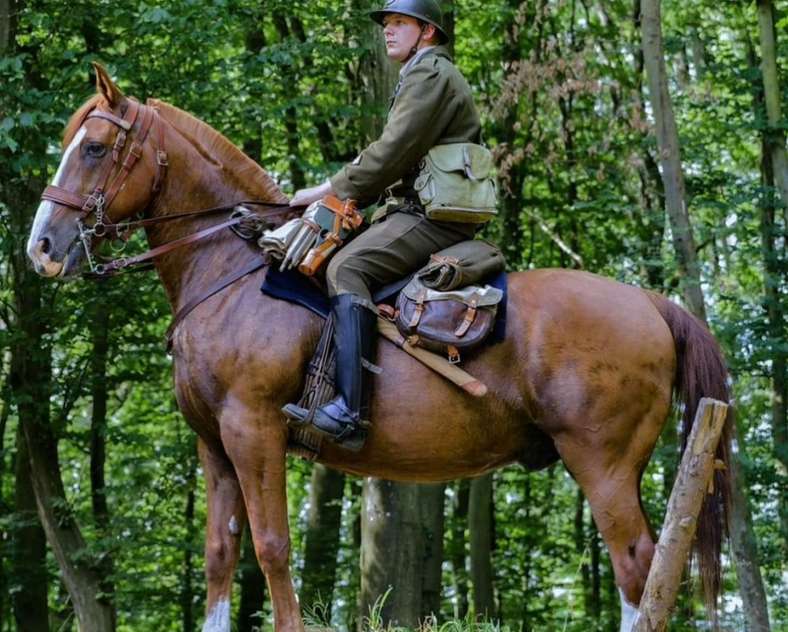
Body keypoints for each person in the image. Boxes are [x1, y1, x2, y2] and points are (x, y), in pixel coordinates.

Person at [286, 0, 482, 448]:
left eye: (399, 23)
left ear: (426, 32)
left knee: (346, 269)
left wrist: (327, 189)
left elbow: (391, 151)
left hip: (432, 217)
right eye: (386, 25)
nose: (388, 31)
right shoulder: (419, 74)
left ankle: (351, 412)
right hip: (415, 209)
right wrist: (350, 196)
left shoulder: (429, 74)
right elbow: (396, 158)